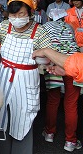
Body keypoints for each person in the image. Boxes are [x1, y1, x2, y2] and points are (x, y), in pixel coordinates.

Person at [0, 0, 52, 154]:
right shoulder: (4, 27)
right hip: (4, 75)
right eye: (13, 15)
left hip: (26, 78)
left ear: (30, 13)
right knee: (0, 114)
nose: (16, 18)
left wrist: (47, 59)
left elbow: (49, 54)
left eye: (21, 14)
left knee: (22, 117)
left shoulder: (39, 31)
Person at [41, 9, 81, 152]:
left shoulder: (44, 27)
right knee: (71, 104)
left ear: (49, 17)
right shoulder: (69, 27)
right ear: (64, 17)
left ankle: (49, 133)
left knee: (53, 100)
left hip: (53, 64)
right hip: (73, 64)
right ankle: (70, 141)